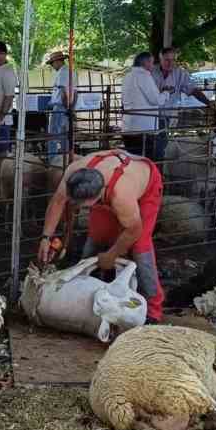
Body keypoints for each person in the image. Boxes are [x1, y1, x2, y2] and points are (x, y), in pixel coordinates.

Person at [38, 149, 165, 324]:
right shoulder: (74, 171)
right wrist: (46, 238)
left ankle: (153, 309)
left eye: (82, 205)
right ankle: (89, 293)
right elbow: (58, 201)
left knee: (140, 246)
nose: (77, 207)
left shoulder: (122, 194)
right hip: (110, 180)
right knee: (98, 236)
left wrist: (112, 255)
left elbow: (134, 230)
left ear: (95, 198)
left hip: (144, 184)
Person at [120, 52, 169, 161]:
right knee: (147, 162)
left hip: (128, 127)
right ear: (146, 63)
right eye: (151, 63)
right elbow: (156, 100)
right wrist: (166, 93)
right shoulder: (144, 76)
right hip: (143, 128)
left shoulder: (127, 76)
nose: (152, 66)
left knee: (132, 161)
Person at [152, 46, 211, 127]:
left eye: (173, 60)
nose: (170, 63)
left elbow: (193, 90)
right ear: (160, 60)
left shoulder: (180, 73)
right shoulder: (151, 72)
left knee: (161, 137)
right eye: (167, 60)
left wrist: (208, 102)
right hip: (150, 114)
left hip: (168, 115)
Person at [45, 50, 74, 160]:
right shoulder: (70, 71)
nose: (52, 66)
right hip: (67, 105)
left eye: (52, 63)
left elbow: (62, 92)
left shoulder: (62, 72)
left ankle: (52, 159)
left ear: (58, 62)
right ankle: (65, 158)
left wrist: (65, 106)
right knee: (64, 133)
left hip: (60, 106)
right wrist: (70, 108)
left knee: (53, 134)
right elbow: (74, 92)